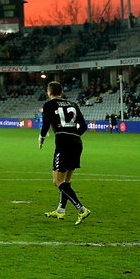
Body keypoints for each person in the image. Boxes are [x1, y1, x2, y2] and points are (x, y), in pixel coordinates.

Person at [39, 80, 91, 224]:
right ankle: (61, 210)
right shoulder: (73, 104)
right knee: (66, 181)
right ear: (61, 92)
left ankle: (81, 209)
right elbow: (84, 126)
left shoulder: (49, 105)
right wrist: (74, 136)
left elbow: (45, 124)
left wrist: (42, 137)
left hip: (63, 143)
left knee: (57, 181)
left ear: (49, 92)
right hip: (77, 143)